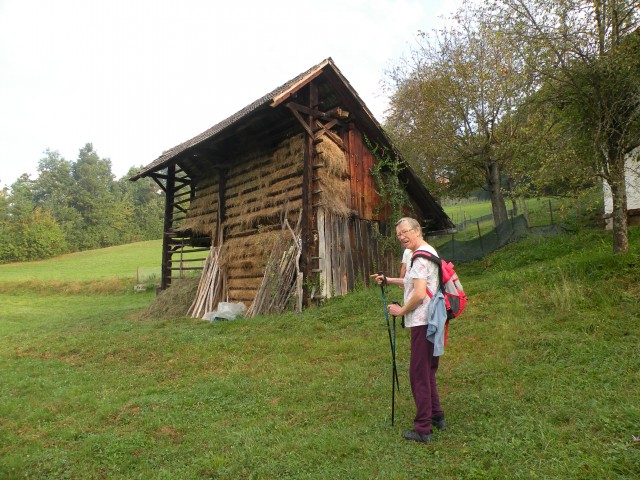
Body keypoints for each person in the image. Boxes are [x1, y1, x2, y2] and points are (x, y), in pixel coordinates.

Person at [371, 217, 446, 444]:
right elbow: (411, 282)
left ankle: (423, 429)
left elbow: (420, 293)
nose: (401, 236)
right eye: (398, 234)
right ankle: (436, 416)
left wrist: (401, 310)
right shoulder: (425, 252)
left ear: (417, 230)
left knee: (418, 375)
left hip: (423, 322)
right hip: (432, 321)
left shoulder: (420, 257)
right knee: (427, 371)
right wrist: (389, 280)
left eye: (405, 232)